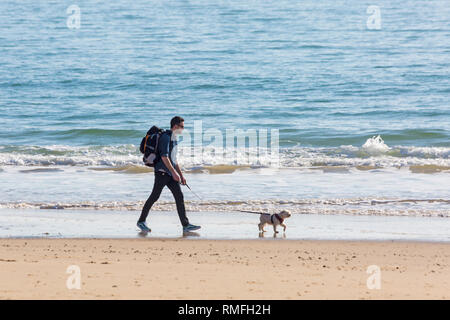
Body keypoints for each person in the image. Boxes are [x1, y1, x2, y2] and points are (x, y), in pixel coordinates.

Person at [137, 116, 201, 233]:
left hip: (170, 173)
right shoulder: (166, 138)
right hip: (162, 172)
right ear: (175, 126)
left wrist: (181, 175)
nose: (183, 129)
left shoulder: (174, 139)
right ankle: (141, 221)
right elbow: (164, 157)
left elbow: (174, 159)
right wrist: (173, 173)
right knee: (154, 197)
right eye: (182, 127)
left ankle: (185, 225)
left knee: (179, 197)